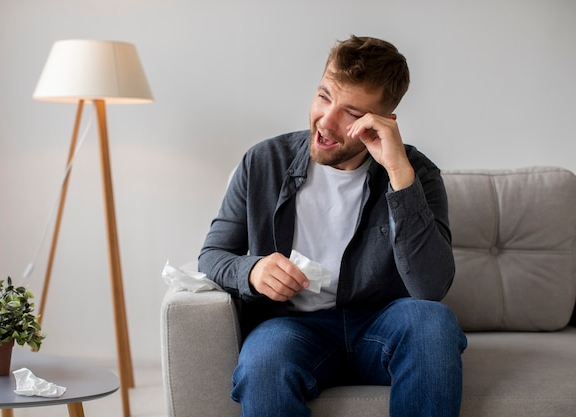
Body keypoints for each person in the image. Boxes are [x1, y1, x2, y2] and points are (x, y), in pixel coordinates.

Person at [199, 35, 467, 417]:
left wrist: (397, 173)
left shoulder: (416, 173)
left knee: (433, 323)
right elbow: (212, 256)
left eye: (352, 114)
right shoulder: (263, 162)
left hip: (381, 324)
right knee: (264, 364)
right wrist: (253, 269)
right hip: (293, 328)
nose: (326, 121)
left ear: (383, 123)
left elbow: (430, 288)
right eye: (324, 96)